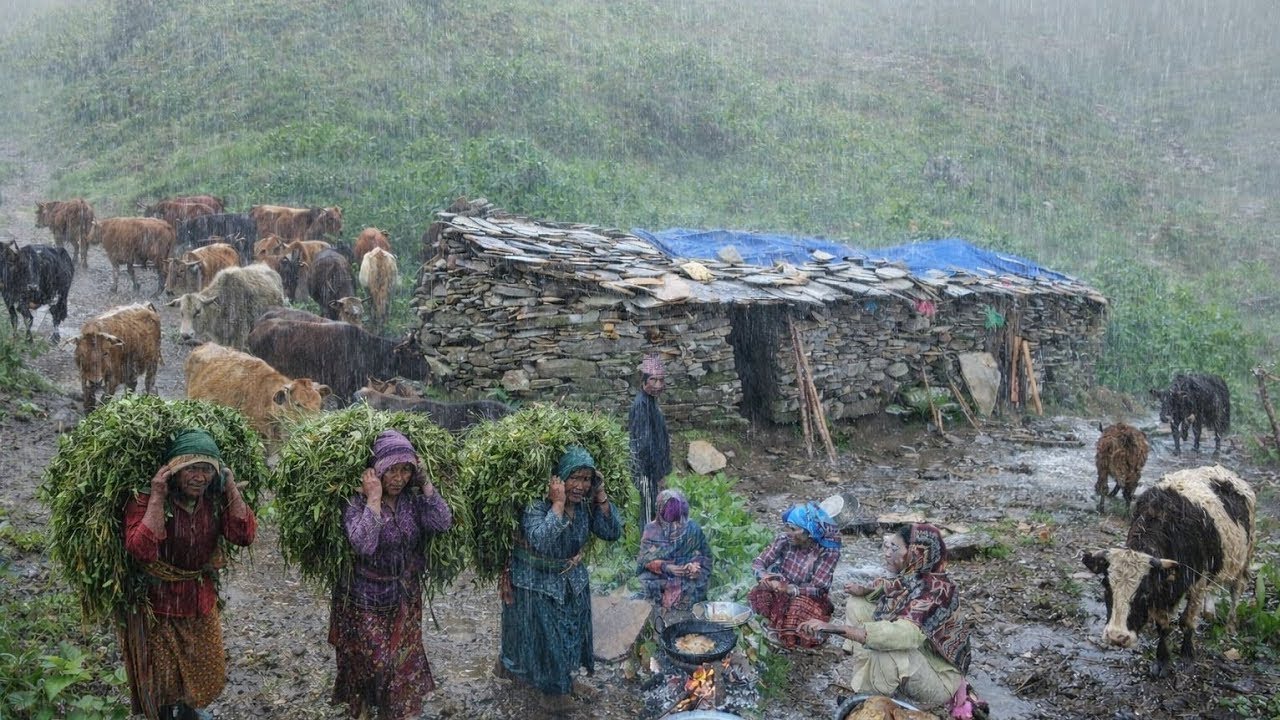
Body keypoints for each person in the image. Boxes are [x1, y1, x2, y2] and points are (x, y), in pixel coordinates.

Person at [121, 429, 257, 720]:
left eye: (207, 469)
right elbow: (141, 549)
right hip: (157, 603)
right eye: (191, 468)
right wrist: (157, 495)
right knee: (163, 677)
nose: (199, 477)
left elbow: (244, 535)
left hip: (199, 598)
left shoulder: (213, 500)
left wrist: (231, 487)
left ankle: (186, 710)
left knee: (206, 667)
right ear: (173, 470)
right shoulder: (147, 499)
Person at [799, 523, 986, 719]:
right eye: (887, 546)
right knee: (859, 604)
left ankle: (870, 702)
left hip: (940, 678)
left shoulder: (937, 592)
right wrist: (866, 591)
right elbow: (891, 589)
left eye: (894, 548)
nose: (887, 553)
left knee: (887, 652)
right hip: (921, 656)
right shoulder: (916, 575)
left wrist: (836, 628)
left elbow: (904, 635)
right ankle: (866, 688)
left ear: (916, 553)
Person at [329, 429, 454, 720]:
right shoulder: (355, 502)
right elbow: (363, 544)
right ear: (376, 471)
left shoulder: (412, 500)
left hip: (405, 596)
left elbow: (443, 522)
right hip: (365, 598)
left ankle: (393, 712)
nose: (399, 479)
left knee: (402, 662)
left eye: (406, 470)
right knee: (374, 661)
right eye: (392, 471)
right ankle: (364, 705)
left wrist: (425, 484)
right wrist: (373, 499)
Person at [497, 445, 623, 713]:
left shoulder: (587, 505)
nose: (580, 486)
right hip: (536, 582)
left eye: (587, 479)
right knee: (547, 637)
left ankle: (566, 679)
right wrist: (557, 504)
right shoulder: (536, 504)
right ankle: (551, 692)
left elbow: (612, 532)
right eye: (574, 478)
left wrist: (600, 495)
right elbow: (541, 539)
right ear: (559, 479)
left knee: (573, 631)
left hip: (570, 580)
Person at [749, 502, 842, 649]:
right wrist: (765, 578)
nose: (788, 532)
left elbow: (819, 588)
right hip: (781, 589)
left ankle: (792, 639)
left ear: (809, 532)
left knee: (797, 609)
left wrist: (792, 590)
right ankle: (769, 629)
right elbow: (758, 562)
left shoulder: (827, 552)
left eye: (793, 529)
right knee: (759, 593)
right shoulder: (784, 540)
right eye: (787, 527)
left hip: (808, 597)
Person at [635, 488, 712, 610]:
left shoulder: (693, 529)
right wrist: (665, 567)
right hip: (660, 579)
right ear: (660, 515)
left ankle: (685, 609)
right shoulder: (651, 530)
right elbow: (643, 561)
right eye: (670, 522)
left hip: (686, 579)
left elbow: (706, 557)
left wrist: (696, 567)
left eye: (679, 521)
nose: (675, 526)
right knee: (641, 586)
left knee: (697, 588)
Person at [628, 353, 671, 523]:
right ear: (643, 381)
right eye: (653, 380)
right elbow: (644, 445)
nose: (658, 385)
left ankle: (654, 546)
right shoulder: (641, 406)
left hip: (652, 471)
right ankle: (646, 547)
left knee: (655, 511)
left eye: (661, 380)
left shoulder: (651, 402)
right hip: (646, 472)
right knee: (649, 514)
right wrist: (657, 474)